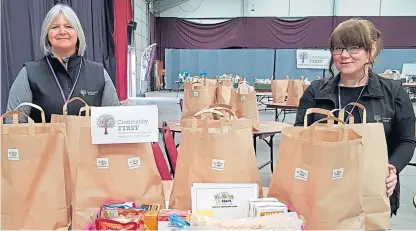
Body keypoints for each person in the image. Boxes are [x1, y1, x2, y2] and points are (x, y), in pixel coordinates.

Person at [294, 18, 416, 216]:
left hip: (371, 189)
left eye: (353, 47)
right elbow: (299, 135)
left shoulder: (393, 93)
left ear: (372, 49)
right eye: (338, 48)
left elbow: (407, 140)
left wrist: (392, 168)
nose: (344, 55)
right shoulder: (316, 92)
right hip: (322, 189)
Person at [6, 4, 119, 123]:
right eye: (55, 27)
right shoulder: (29, 74)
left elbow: (115, 120)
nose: (62, 31)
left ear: (78, 33)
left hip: (87, 142)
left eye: (69, 26)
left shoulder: (99, 74)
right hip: (44, 142)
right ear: (47, 34)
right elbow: (13, 123)